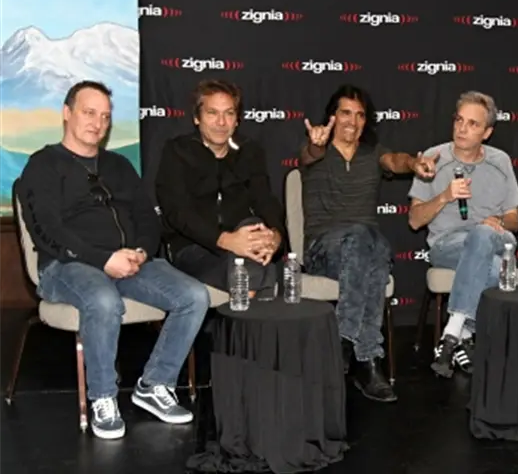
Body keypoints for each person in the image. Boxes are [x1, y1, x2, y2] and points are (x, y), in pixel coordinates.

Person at [17, 81, 209, 439]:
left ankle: (155, 384)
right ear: (67, 113)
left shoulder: (118, 165)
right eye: (89, 113)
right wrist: (103, 260)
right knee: (103, 300)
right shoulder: (43, 165)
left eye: (105, 116)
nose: (98, 123)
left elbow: (147, 217)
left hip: (129, 263)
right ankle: (103, 397)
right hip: (66, 266)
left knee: (194, 296)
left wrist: (141, 251)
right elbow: (47, 230)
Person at [300, 84, 437, 403]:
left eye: (360, 115)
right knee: (370, 240)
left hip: (365, 250)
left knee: (374, 249)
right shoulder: (316, 149)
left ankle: (358, 352)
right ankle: (362, 356)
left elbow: (395, 160)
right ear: (333, 116)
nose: (353, 121)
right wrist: (315, 145)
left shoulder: (372, 153)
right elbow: (309, 154)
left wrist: (413, 164)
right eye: (345, 113)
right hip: (322, 251)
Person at [408, 90, 518, 379]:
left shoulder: (500, 161)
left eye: (473, 124)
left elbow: (515, 220)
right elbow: (414, 220)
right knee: (504, 271)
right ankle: (462, 332)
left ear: (487, 132)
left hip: (497, 239)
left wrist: (498, 220)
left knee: (484, 235)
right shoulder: (434, 159)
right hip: (447, 245)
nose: (462, 128)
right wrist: (444, 196)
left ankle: (452, 332)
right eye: (459, 120)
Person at [156, 79, 286, 298]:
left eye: (229, 114)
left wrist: (275, 236)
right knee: (252, 275)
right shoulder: (178, 151)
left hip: (245, 243)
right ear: (197, 118)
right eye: (212, 113)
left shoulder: (249, 151)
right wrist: (225, 240)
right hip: (194, 247)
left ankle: (254, 294)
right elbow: (177, 212)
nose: (221, 122)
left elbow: (265, 200)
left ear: (237, 120)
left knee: (255, 243)